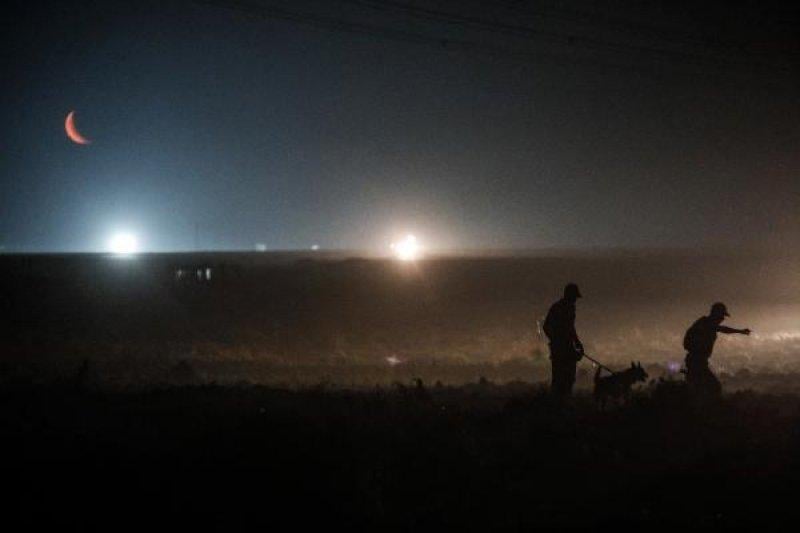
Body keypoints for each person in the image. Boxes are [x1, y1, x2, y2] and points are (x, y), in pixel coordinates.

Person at [683, 302, 751, 398]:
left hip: (697, 362)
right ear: (716, 314)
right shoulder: (706, 323)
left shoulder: (705, 323)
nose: (722, 319)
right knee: (713, 387)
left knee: (701, 389)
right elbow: (723, 329)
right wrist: (740, 331)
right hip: (697, 362)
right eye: (722, 316)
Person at [542, 283, 584, 398]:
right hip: (559, 351)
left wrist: (577, 343)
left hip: (568, 348)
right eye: (574, 297)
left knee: (569, 378)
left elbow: (571, 328)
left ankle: (565, 403)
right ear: (569, 296)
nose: (575, 300)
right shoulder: (557, 308)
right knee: (559, 380)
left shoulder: (571, 309)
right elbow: (546, 326)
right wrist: (556, 340)